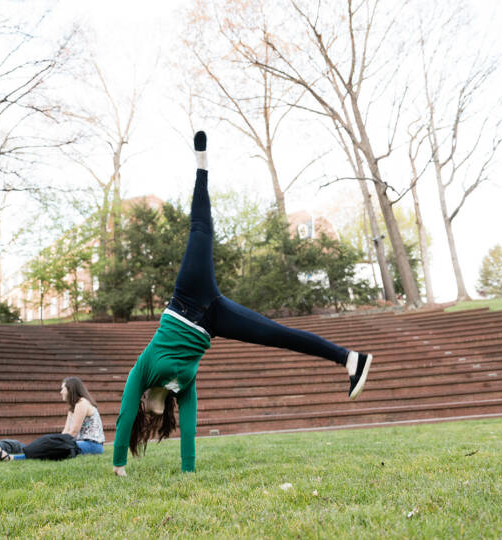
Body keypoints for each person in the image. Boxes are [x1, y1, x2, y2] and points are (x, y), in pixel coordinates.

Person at [111, 131, 373, 477]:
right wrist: (188, 472)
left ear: (145, 399)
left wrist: (118, 464)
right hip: (213, 320)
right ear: (158, 407)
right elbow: (188, 427)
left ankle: (201, 167)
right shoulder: (183, 388)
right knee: (278, 334)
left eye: (144, 404)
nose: (145, 406)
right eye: (150, 409)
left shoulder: (141, 371)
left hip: (187, 299)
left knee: (200, 230)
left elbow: (125, 414)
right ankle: (350, 358)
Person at [60, 376, 105, 455]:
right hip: (80, 442)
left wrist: (58, 444)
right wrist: (57, 441)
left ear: (70, 389)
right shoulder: (72, 408)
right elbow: (66, 430)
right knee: (56, 446)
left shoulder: (82, 403)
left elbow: (74, 432)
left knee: (60, 449)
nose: (61, 392)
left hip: (93, 445)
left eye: (63, 389)